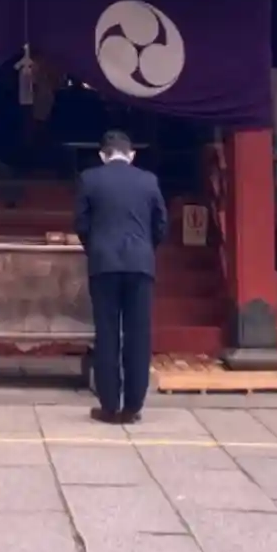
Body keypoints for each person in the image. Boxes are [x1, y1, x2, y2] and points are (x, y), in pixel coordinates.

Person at [73, 129, 167, 424]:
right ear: (132, 155)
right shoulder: (149, 180)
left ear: (103, 156)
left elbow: (81, 224)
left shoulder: (89, 178)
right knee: (139, 334)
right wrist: (145, 249)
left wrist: (95, 249)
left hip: (104, 264)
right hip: (140, 264)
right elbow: (161, 224)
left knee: (107, 333)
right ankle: (133, 405)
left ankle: (109, 405)